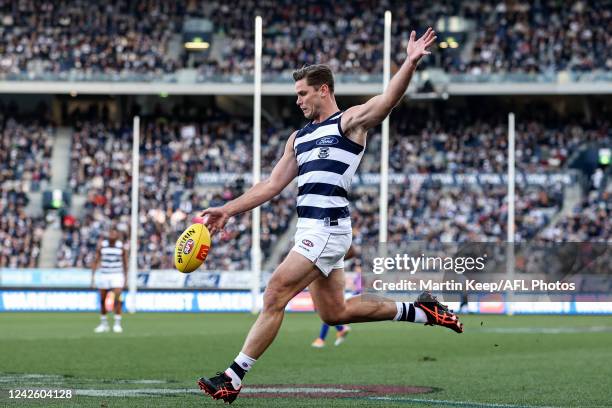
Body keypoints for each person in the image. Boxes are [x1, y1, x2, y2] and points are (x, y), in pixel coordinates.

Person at [197, 27, 462, 404]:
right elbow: (271, 185)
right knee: (334, 312)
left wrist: (410, 61)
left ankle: (232, 378)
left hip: (326, 229)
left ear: (323, 89)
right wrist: (227, 209)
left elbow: (387, 100)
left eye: (302, 93)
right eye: (296, 95)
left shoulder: (348, 122)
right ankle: (421, 311)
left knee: (274, 292)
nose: (298, 101)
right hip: (311, 230)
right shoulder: (299, 137)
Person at [311, 244, 359, 348]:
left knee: (328, 314)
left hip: (328, 287)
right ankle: (337, 331)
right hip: (330, 285)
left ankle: (323, 338)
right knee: (328, 314)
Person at [91, 230, 128, 333]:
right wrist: (93, 278)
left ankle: (117, 323)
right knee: (102, 300)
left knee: (117, 299)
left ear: (117, 236)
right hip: (104, 274)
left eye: (114, 234)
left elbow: (125, 263)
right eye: (110, 233)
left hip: (117, 274)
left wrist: (126, 279)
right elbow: (96, 260)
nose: (112, 235)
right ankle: (104, 324)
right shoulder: (102, 246)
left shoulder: (121, 247)